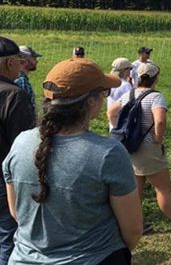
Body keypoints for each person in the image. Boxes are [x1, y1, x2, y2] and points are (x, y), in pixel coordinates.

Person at [3, 57, 142, 264]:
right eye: (104, 93)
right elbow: (132, 230)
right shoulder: (108, 153)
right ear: (91, 101)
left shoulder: (21, 142)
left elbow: (16, 212)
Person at [108, 63, 171, 235]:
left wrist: (120, 130)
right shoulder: (155, 97)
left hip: (130, 146)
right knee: (162, 188)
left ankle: (136, 224)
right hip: (148, 148)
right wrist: (157, 139)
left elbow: (111, 112)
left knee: (137, 188)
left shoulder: (129, 94)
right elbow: (159, 120)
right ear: (155, 78)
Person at [0, 37, 35, 263]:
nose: (22, 66)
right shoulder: (14, 95)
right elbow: (24, 145)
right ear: (10, 63)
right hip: (5, 179)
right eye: (20, 62)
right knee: (7, 238)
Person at [15, 46, 41, 120]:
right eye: (34, 58)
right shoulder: (21, 80)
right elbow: (26, 107)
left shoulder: (20, 78)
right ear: (25, 60)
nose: (37, 61)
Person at [107, 58, 134, 130]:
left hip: (112, 121)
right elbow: (131, 103)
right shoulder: (125, 85)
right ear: (124, 70)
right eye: (129, 69)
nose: (130, 71)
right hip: (123, 124)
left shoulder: (110, 83)